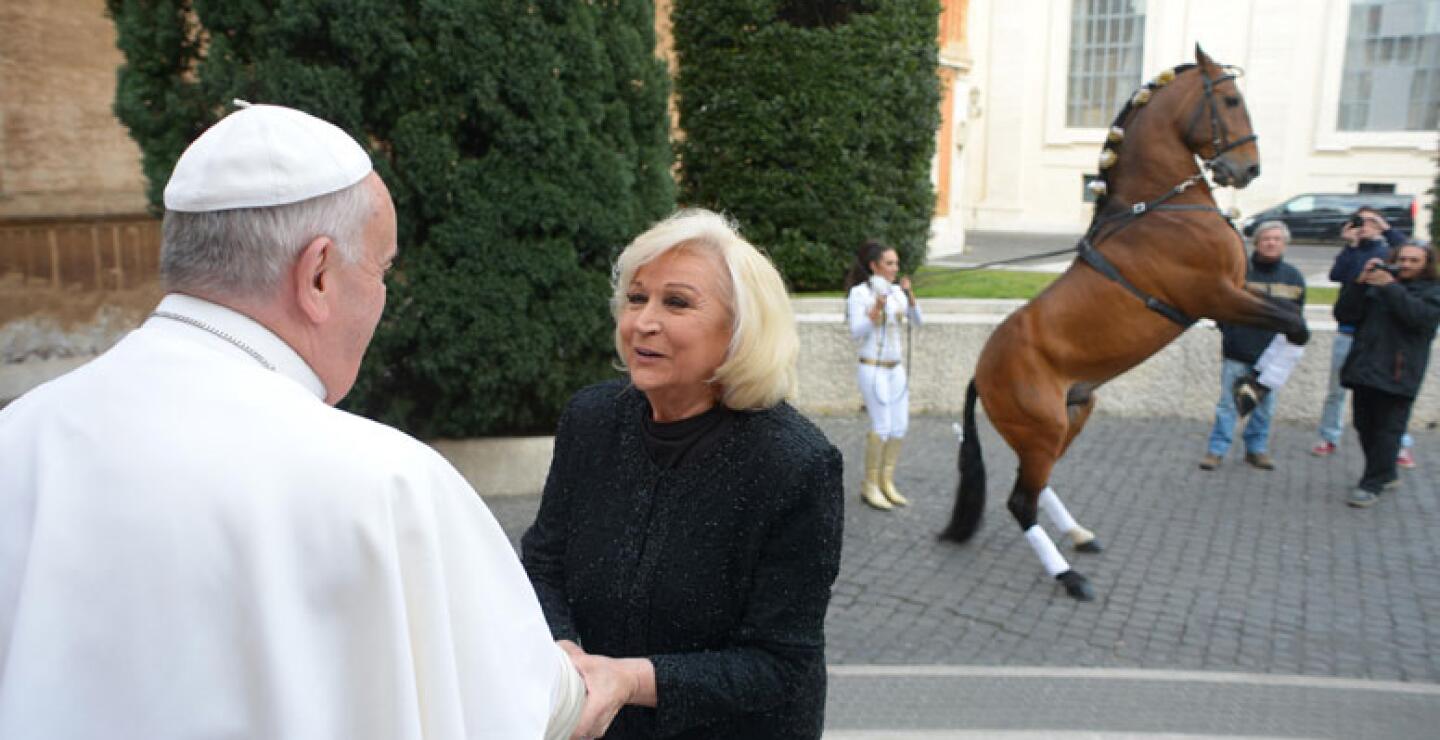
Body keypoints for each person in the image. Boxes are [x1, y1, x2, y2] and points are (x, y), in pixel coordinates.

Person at [0, 103, 590, 739]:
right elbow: (517, 700)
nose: (383, 297)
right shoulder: (387, 481)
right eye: (382, 269)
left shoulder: (20, 439)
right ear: (316, 274)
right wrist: (584, 682)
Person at [521, 209, 844, 739]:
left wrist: (629, 679)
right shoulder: (592, 418)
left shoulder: (795, 463)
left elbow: (780, 664)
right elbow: (543, 561)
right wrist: (565, 650)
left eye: (676, 302)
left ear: (740, 327)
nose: (643, 321)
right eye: (635, 297)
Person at [1336, 241, 1440, 508]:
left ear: (1426, 265)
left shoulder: (1432, 291)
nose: (1405, 265)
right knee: (1363, 425)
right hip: (1365, 368)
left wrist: (1390, 287)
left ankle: (1372, 483)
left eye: (1413, 261)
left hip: (1399, 373)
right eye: (1402, 259)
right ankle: (1385, 472)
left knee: (1388, 430)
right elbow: (1344, 314)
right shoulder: (1378, 286)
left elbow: (1418, 318)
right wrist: (1359, 284)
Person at [1200, 222, 1305, 471]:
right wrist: (1233, 333)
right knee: (1228, 404)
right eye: (1266, 238)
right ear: (1256, 243)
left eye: (1277, 239)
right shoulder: (1240, 272)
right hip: (1238, 350)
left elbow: (1296, 318)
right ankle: (1217, 450)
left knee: (1265, 408)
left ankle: (1256, 450)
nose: (1271, 243)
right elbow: (1222, 308)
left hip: (1272, 358)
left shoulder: (1293, 277)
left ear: (1284, 244)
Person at [1312, 206, 1413, 462]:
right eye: (1360, 221)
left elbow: (1411, 255)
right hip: (1349, 331)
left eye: (1371, 222)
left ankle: (1400, 444)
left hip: (1382, 335)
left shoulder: (1390, 252)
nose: (1365, 226)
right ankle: (1328, 436)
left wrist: (1387, 228)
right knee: (1336, 390)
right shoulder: (1353, 252)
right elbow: (1338, 276)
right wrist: (1351, 245)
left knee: (1389, 393)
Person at [844, 239, 923, 510]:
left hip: (896, 368)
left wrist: (909, 296)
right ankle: (870, 485)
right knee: (882, 426)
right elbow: (856, 331)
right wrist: (876, 308)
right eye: (889, 263)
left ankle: (886, 481)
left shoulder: (897, 293)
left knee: (899, 426)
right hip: (872, 367)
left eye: (896, 263)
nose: (895, 268)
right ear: (874, 266)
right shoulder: (859, 294)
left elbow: (918, 321)